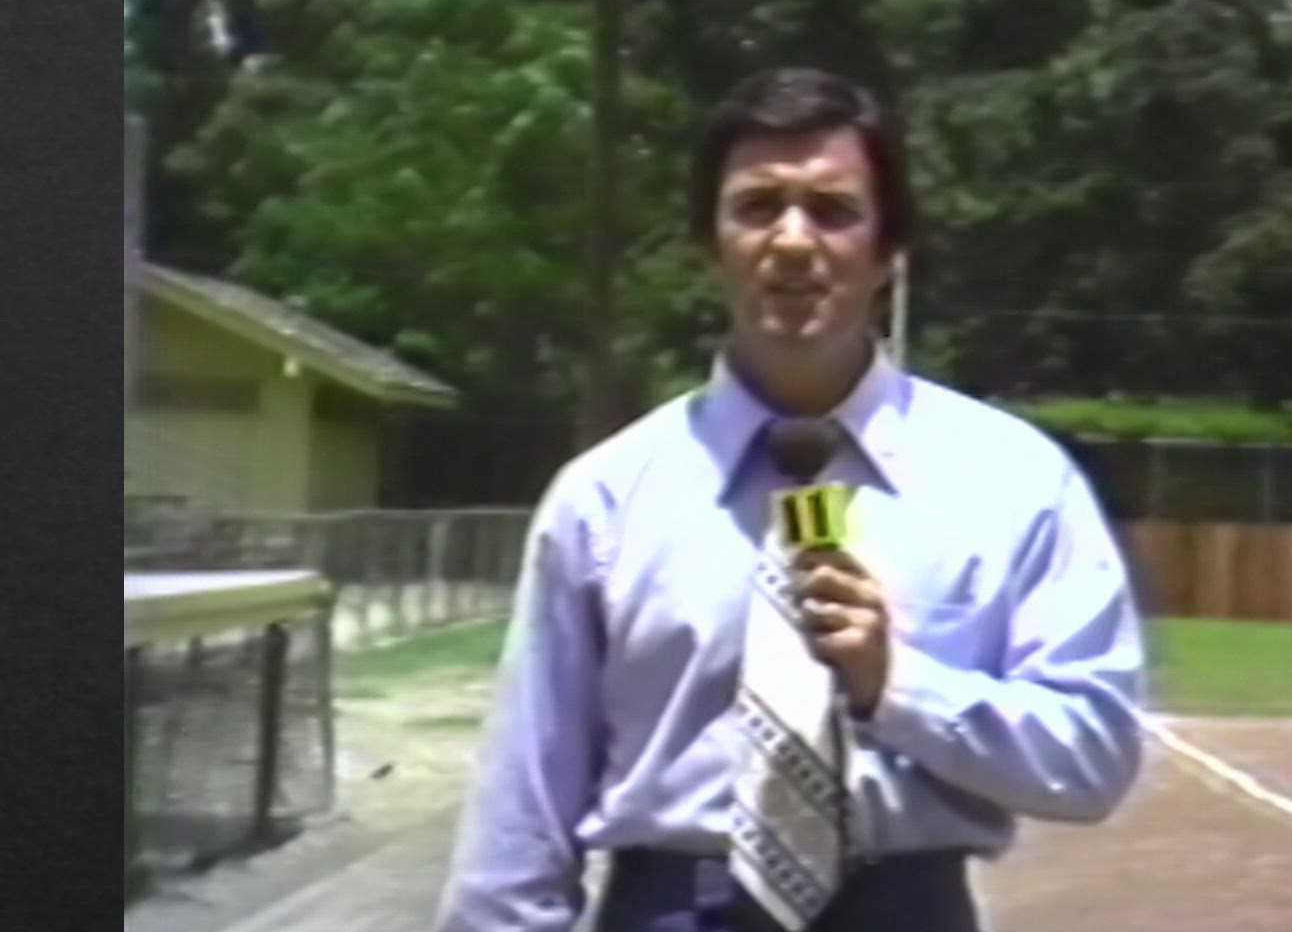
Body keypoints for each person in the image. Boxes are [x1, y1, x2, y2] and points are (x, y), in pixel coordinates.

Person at [436, 67, 1146, 932]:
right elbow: (522, 804)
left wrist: (899, 686)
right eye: (758, 206)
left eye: (834, 210)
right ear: (711, 244)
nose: (794, 240)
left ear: (889, 252)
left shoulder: (1014, 483)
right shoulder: (608, 497)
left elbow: (1093, 757)